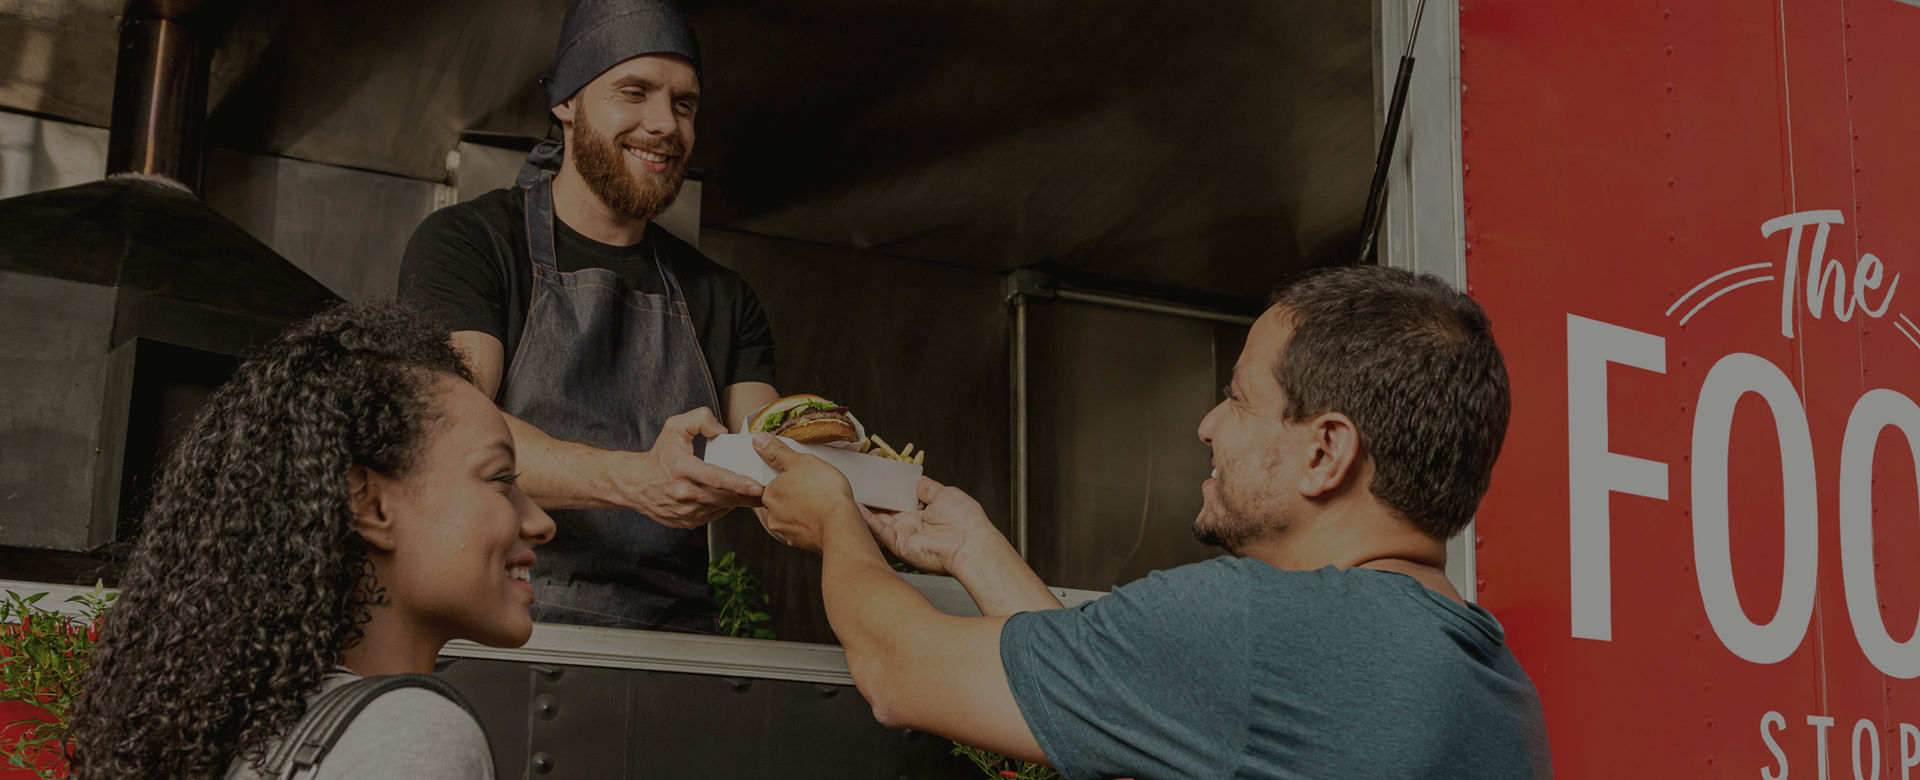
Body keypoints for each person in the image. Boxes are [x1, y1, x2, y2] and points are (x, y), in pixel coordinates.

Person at [752, 266, 1553, 779]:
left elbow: (899, 671)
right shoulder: (1498, 691)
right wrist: (969, 546)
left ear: (1326, 452)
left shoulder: (1254, 626)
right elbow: (1116, 703)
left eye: (1239, 399)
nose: (1209, 424)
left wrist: (832, 516)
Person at [398, 0, 777, 633]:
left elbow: (771, 454)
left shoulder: (724, 298)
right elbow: (451, 431)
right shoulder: (470, 244)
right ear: (567, 103)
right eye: (635, 92)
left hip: (678, 650)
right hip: (504, 629)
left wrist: (862, 494)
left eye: (684, 104)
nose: (665, 124)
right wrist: (634, 480)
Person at [68, 302, 554, 779]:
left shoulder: (240, 729)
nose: (539, 522)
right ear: (369, 503)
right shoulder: (406, 734)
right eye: (500, 478)